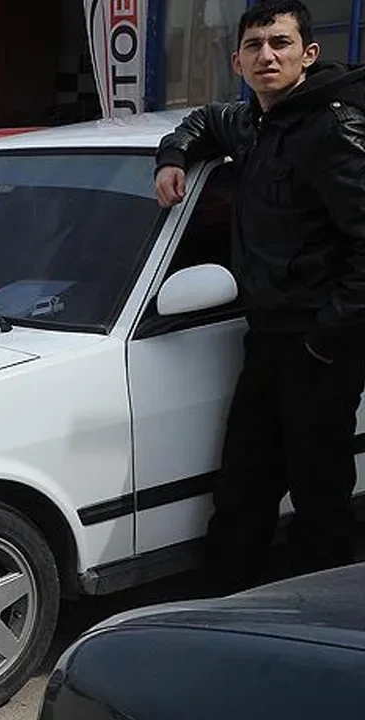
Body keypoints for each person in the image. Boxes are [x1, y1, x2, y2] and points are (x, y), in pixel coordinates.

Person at [154, 0, 365, 593]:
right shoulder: (252, 122)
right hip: (267, 335)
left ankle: (319, 615)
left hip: (320, 342)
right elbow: (203, 120)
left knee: (319, 490)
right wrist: (172, 156)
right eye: (254, 45)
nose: (266, 55)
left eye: (280, 43)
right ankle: (224, 602)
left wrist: (327, 337)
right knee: (245, 481)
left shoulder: (334, 129)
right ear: (237, 60)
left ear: (308, 54)